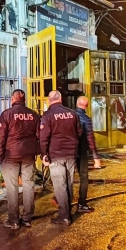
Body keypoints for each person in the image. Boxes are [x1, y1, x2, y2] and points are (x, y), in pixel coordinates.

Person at [0, 89, 40, 229]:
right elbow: (40, 135)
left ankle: (13, 220)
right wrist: (39, 151)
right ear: (24, 100)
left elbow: (1, 137)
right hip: (28, 155)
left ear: (12, 99)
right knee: (28, 185)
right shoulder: (33, 115)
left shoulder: (6, 114)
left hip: (11, 155)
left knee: (12, 187)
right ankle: (27, 218)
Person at [39, 90, 82, 226]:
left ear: (49, 100)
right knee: (68, 183)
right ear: (61, 98)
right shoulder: (72, 113)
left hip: (56, 155)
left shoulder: (48, 116)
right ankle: (67, 211)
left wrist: (44, 154)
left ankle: (64, 216)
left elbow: (43, 137)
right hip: (71, 153)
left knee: (60, 185)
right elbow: (79, 131)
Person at [74, 96, 102, 213]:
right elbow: (90, 138)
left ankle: (63, 205)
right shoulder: (86, 119)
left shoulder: (69, 116)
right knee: (84, 177)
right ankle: (82, 203)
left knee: (67, 178)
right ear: (86, 106)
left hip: (68, 151)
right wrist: (96, 157)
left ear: (76, 103)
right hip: (82, 152)